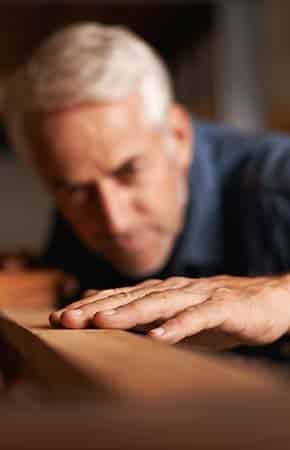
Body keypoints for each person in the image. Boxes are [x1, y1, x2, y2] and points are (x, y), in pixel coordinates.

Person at [3, 23, 290, 348]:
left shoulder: (277, 180)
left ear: (178, 137)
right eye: (74, 190)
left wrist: (278, 295)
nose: (115, 221)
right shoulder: (82, 196)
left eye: (129, 170)